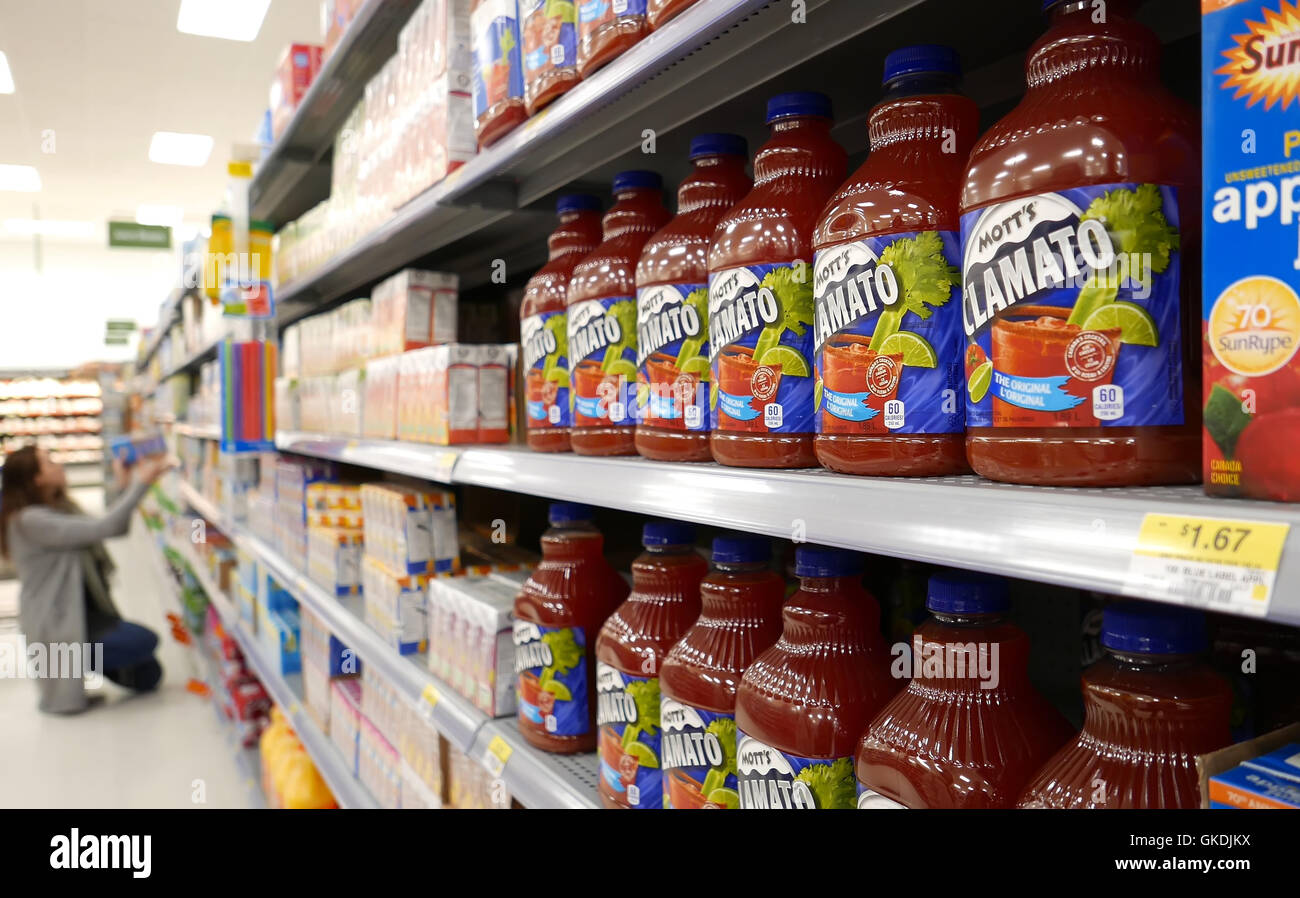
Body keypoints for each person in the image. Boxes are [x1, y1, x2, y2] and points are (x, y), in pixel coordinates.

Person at [0, 445, 172, 714]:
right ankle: (82, 661)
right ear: (36, 478)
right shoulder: (31, 520)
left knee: (149, 675)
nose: (58, 465)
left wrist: (123, 485)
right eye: (49, 462)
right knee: (144, 641)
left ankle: (89, 659)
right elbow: (108, 527)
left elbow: (114, 526)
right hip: (55, 618)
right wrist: (142, 484)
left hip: (82, 612)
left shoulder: (58, 507)